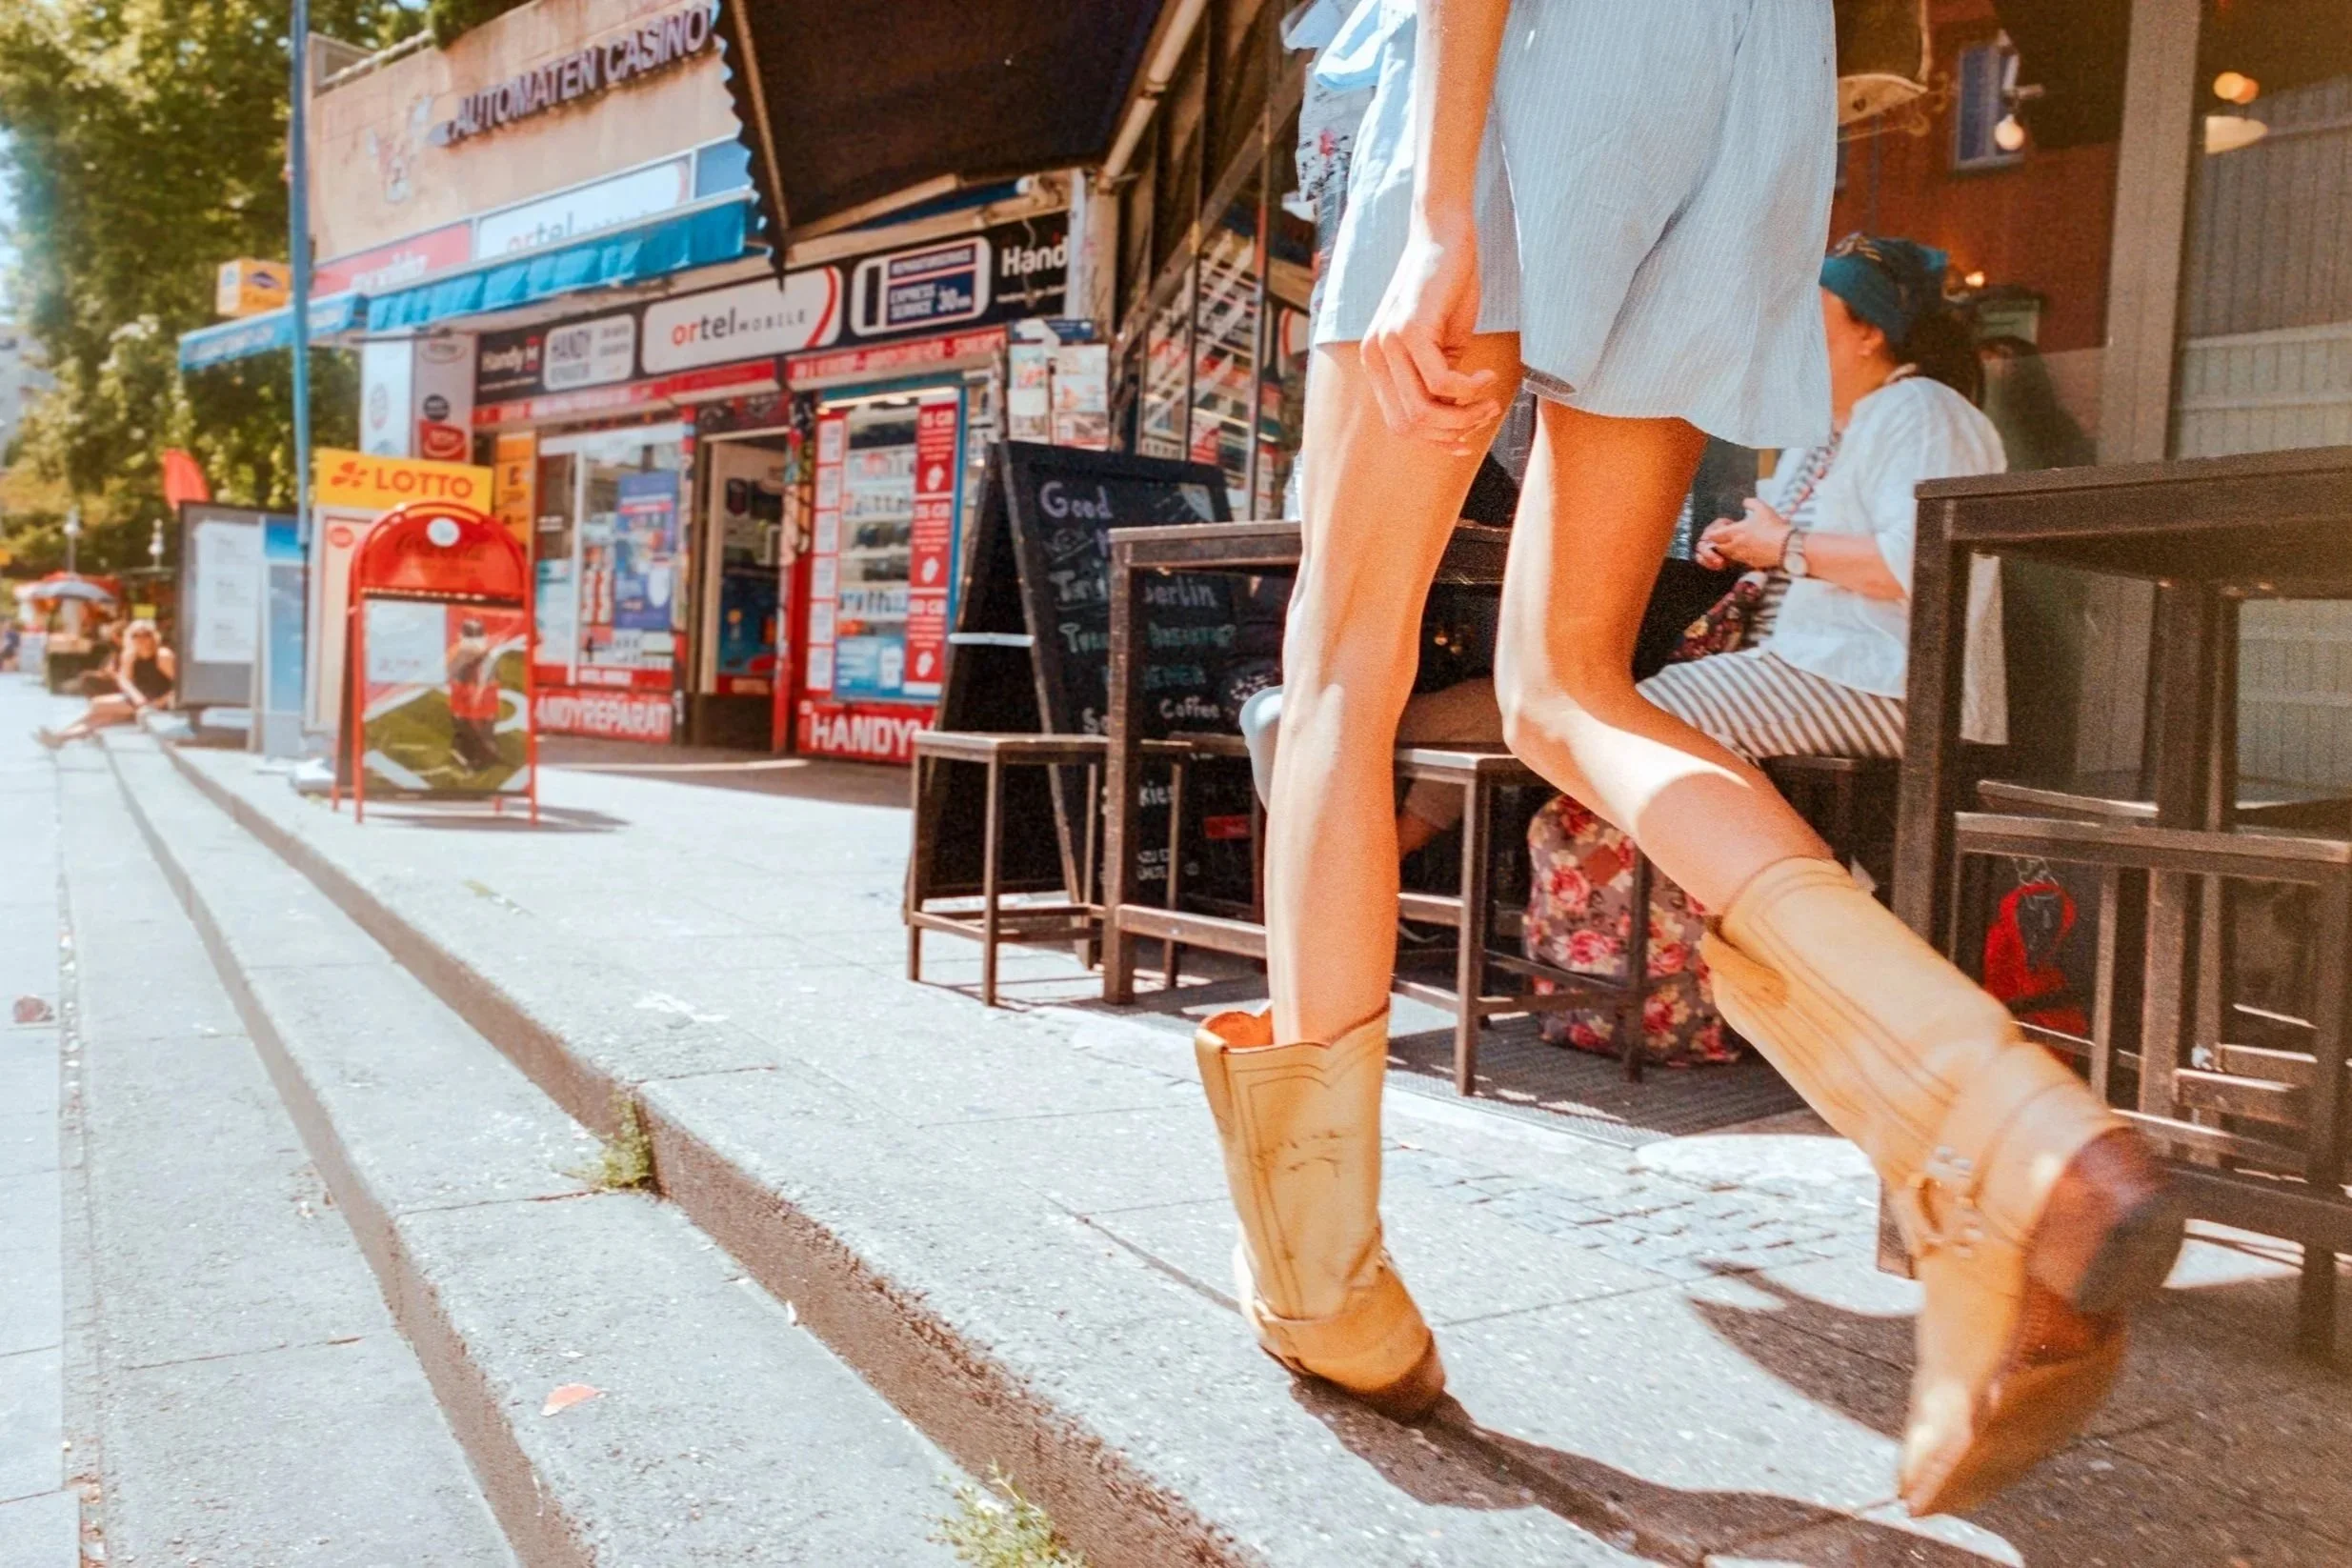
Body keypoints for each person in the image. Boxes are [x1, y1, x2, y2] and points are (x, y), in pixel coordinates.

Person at [1189, 0, 2181, 1520]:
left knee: (1339, 660)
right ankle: (1990, 1117)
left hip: (1530, 59)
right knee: (1567, 683)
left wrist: (1442, 204)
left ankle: (1323, 1281)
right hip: (1747, 88)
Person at [36, 619, 173, 746]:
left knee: (97, 705)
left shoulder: (162, 655)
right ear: (130, 638)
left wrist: (160, 702)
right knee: (102, 718)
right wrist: (137, 697)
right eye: (136, 635)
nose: (141, 639)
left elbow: (179, 686)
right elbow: (125, 681)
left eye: (146, 634)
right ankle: (61, 737)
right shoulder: (130, 655)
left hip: (157, 701)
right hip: (138, 700)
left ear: (154, 636)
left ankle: (60, 736)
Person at [445, 617, 502, 773]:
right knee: (467, 729)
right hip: (467, 701)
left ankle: (482, 758)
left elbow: (488, 681)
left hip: (479, 702)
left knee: (481, 730)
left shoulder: (487, 656)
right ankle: (472, 756)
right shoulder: (459, 654)